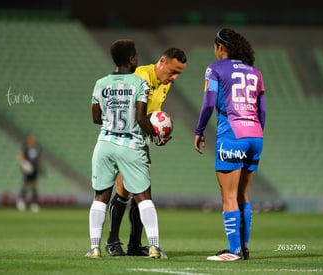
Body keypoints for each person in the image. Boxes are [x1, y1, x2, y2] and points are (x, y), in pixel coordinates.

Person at [85, 39, 169, 259]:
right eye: (136, 56)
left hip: (104, 144)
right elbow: (141, 117)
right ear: (132, 59)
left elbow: (95, 117)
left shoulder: (100, 83)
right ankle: (153, 246)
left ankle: (94, 248)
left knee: (100, 196)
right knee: (143, 197)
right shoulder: (139, 83)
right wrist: (156, 136)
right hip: (131, 145)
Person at [105, 47, 187, 256]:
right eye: (173, 71)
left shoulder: (164, 84)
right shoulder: (141, 76)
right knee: (125, 190)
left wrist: (154, 135)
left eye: (179, 74)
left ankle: (134, 245)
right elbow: (130, 111)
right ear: (161, 61)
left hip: (140, 139)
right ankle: (112, 241)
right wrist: (154, 134)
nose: (174, 77)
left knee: (141, 188)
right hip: (124, 138)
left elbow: (149, 116)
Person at [194, 28, 266, 261]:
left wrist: (199, 130)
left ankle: (234, 250)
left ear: (221, 47)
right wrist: (255, 134)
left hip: (232, 135)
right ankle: (244, 247)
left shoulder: (214, 69)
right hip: (255, 136)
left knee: (229, 195)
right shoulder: (255, 72)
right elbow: (262, 110)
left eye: (214, 47)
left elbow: (208, 104)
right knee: (244, 194)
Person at [16, 133, 42, 212]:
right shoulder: (25, 147)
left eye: (33, 138)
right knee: (26, 184)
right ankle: (21, 201)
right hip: (27, 168)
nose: (32, 140)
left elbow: (39, 158)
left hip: (34, 168)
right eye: (31, 138)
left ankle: (34, 203)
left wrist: (40, 165)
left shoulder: (37, 148)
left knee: (34, 184)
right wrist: (24, 164)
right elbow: (20, 156)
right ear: (28, 139)